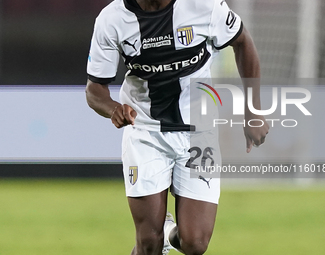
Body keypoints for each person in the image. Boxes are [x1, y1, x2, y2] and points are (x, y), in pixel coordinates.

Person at [85, 0, 269, 254]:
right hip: (145, 132)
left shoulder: (203, 5)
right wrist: (113, 109)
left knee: (195, 243)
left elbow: (243, 41)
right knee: (149, 243)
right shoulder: (112, 18)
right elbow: (94, 90)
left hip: (199, 131)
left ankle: (170, 233)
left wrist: (253, 110)